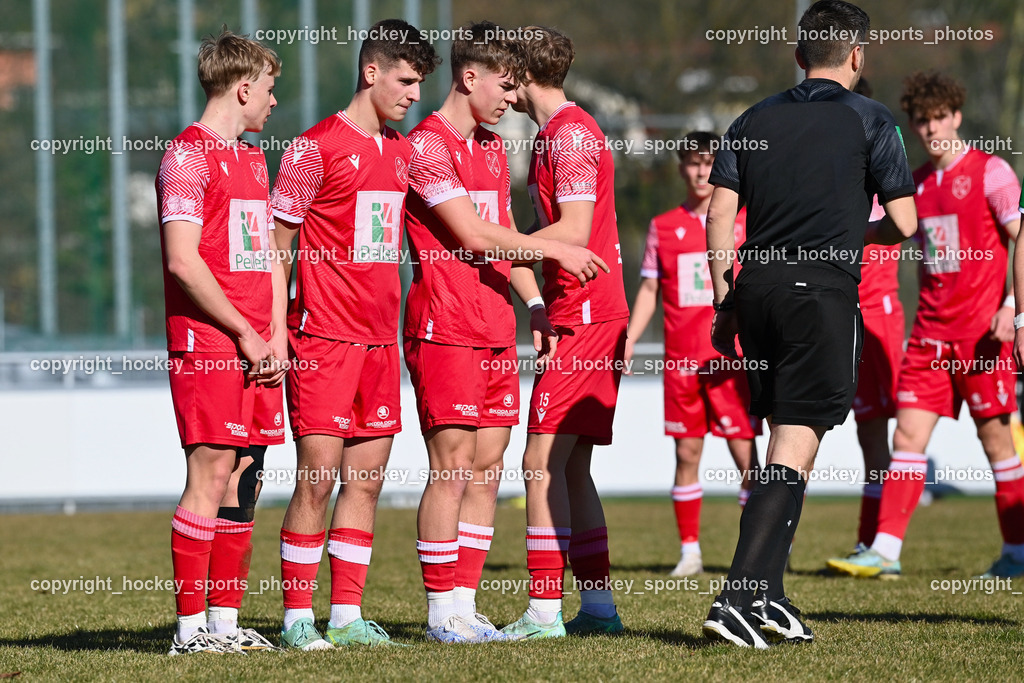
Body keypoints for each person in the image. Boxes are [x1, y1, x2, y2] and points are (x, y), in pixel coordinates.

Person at [700, 0, 918, 648]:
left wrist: (725, 299)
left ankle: (768, 592)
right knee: (795, 447)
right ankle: (737, 597)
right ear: (857, 55)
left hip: (757, 290)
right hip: (819, 293)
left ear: (800, 56)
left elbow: (719, 216)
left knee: (780, 446)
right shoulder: (872, 119)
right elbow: (905, 222)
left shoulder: (752, 118)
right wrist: (856, 234)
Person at [403, 21, 606, 643]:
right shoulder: (426, 146)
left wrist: (535, 303)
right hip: (444, 323)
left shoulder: (491, 147)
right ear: (469, 77)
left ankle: (465, 606)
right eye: (504, 84)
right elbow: (471, 234)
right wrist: (563, 253)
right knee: (453, 464)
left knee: (489, 467)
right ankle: (441, 615)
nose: (511, 98)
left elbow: (504, 234)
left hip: (495, 325)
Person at [269, 19, 439, 650]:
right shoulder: (313, 148)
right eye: (406, 79)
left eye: (420, 82)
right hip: (321, 339)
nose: (414, 93)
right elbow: (276, 246)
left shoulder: (403, 150)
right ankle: (295, 619)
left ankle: (345, 616)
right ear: (371, 72)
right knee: (316, 478)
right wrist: (274, 328)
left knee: (366, 482)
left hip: (379, 344)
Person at [828, 70, 1024, 580]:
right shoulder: (913, 183)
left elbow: (1021, 238)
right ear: (912, 125)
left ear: (956, 116)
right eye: (922, 120)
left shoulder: (991, 172)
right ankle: (886, 551)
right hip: (930, 335)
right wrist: (843, 237)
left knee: (997, 442)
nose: (932, 127)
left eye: (941, 117)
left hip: (983, 335)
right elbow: (888, 231)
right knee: (908, 438)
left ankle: (1017, 553)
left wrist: (1013, 307)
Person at [156, 30, 286, 655]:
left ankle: (225, 627)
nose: (273, 102)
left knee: (246, 473)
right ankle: (188, 632)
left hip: (260, 345)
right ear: (242, 88)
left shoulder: (254, 160)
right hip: (212, 342)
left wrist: (276, 333)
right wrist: (242, 330)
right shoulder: (186, 157)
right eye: (268, 89)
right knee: (210, 471)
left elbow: (266, 256)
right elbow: (184, 261)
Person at [500, 25, 630, 640]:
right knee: (572, 469)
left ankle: (544, 612)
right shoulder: (555, 133)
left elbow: (574, 231)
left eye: (506, 73)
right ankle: (599, 610)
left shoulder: (571, 135)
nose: (500, 85)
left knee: (540, 464)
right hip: (577, 309)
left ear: (522, 75)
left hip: (587, 313)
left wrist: (501, 241)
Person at [624, 131, 760, 578]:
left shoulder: (741, 222)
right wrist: (627, 338)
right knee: (686, 455)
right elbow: (649, 288)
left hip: (732, 361)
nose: (701, 171)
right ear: (681, 167)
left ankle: (756, 551)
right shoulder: (664, 226)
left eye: (708, 162)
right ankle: (690, 552)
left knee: (747, 458)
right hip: (682, 363)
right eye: (693, 163)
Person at [823, 78, 906, 564]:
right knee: (852, 430)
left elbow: (906, 223)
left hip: (876, 312)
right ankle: (869, 543)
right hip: (833, 307)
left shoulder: (883, 150)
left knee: (877, 431)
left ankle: (879, 546)